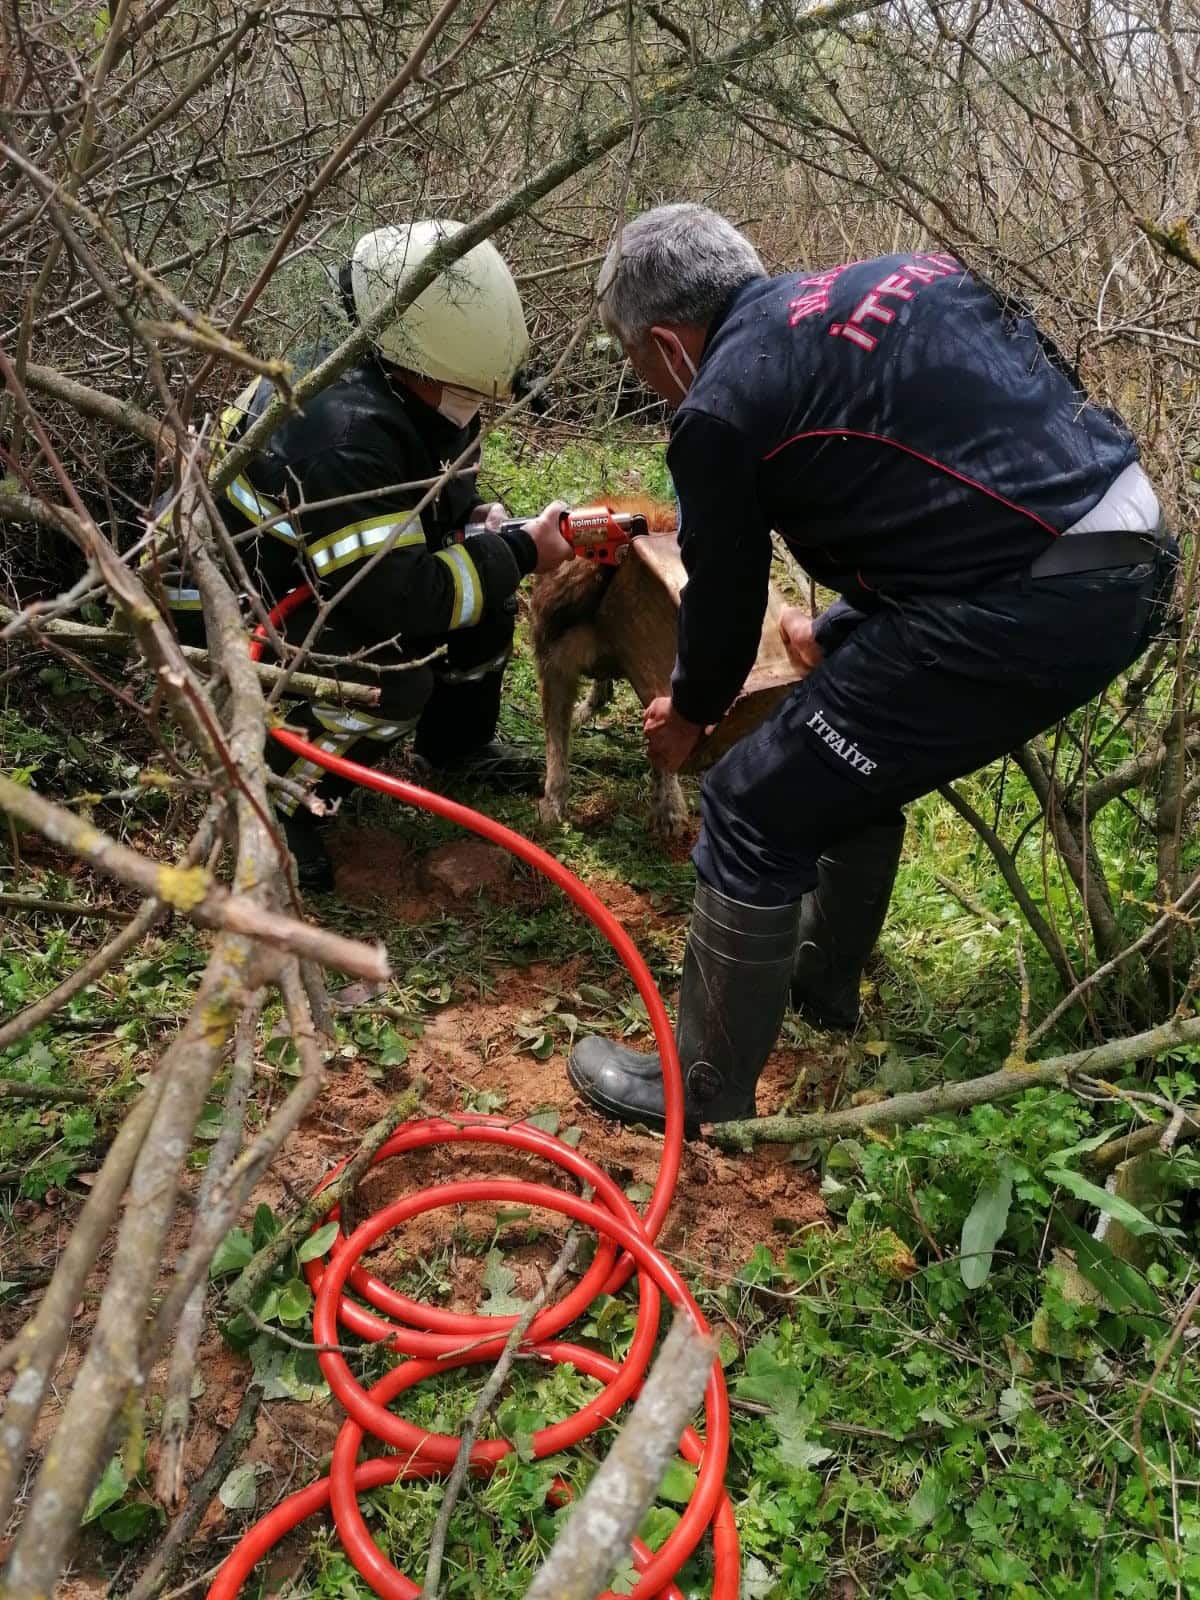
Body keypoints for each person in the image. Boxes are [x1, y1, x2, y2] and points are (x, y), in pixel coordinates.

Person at [570, 203, 1177, 1134]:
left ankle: (702, 1091)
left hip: (1041, 600)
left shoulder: (718, 406)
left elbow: (721, 608)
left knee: (750, 803)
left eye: (635, 361)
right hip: (1128, 543)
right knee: (839, 760)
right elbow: (986, 469)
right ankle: (818, 985)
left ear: (664, 344)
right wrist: (840, 625)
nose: (647, 383)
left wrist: (689, 715)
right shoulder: (911, 278)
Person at [156, 220, 571, 891]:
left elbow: (421, 496)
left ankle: (456, 747)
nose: (473, 408)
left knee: (484, 594)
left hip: (312, 574)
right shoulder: (343, 432)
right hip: (224, 603)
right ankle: (273, 802)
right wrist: (520, 550)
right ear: (407, 361)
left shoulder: (410, 395)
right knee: (389, 677)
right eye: (465, 391)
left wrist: (473, 522)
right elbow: (395, 601)